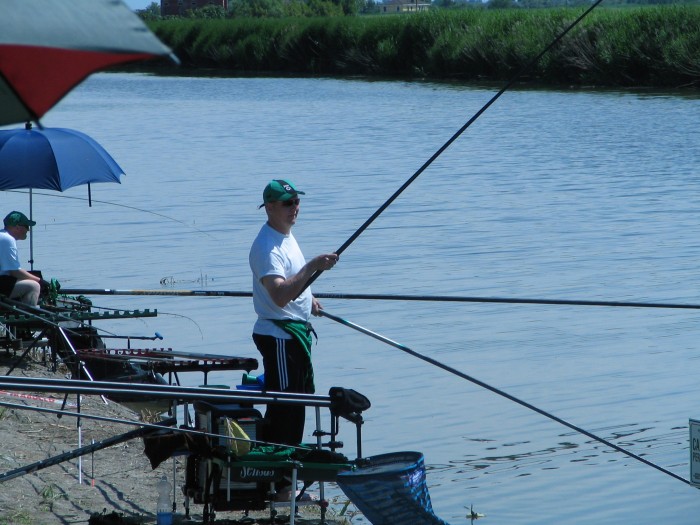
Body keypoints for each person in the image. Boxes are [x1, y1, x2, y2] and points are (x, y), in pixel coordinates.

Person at [249, 179, 339, 448]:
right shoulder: (267, 247)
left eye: (297, 201)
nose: (295, 207)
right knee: (285, 411)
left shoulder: (286, 236)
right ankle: (278, 470)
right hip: (279, 336)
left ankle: (288, 466)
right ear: (269, 207)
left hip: (293, 334)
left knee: (296, 407)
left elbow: (291, 280)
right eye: (288, 203)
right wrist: (313, 266)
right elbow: (278, 296)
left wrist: (308, 298)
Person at [0, 211, 43, 306]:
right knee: (33, 286)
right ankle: (28, 314)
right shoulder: (7, 239)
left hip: (3, 279)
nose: (28, 230)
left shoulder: (2, 236)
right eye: (26, 227)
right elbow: (14, 272)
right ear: (17, 227)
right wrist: (40, 281)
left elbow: (12, 270)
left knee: (32, 277)